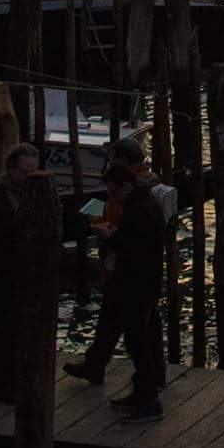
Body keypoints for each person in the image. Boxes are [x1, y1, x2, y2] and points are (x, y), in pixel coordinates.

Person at [64, 138, 166, 391]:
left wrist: (108, 232)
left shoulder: (136, 190)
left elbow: (131, 231)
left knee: (136, 328)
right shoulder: (146, 182)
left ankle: (147, 380)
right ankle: (98, 364)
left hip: (128, 267)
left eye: (113, 159)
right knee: (121, 319)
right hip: (133, 267)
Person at [88, 152, 167, 419]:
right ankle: (142, 392)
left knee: (137, 340)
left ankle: (149, 400)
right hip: (139, 282)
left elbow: (135, 250)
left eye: (114, 191)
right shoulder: (143, 203)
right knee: (136, 339)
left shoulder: (139, 210)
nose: (112, 197)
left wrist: (110, 237)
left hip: (138, 284)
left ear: (126, 187)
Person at [0, 143, 40, 401]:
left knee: (26, 331)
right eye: (25, 173)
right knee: (5, 331)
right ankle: (1, 385)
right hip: (4, 273)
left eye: (33, 173)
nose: (29, 178)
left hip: (29, 272)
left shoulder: (35, 195)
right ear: (11, 170)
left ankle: (22, 380)